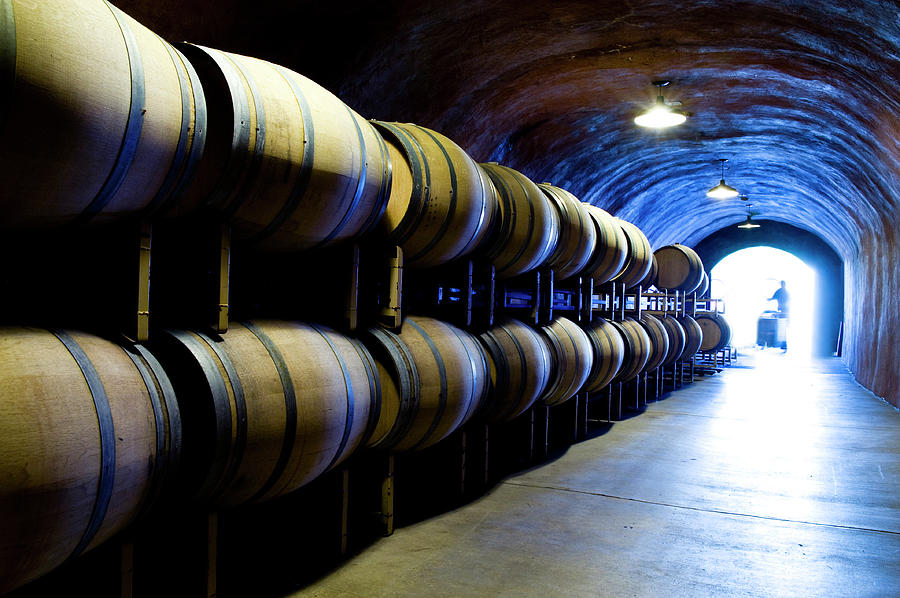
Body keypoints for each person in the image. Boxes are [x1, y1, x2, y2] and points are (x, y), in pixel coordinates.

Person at [767, 281, 789, 350]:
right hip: (783, 310)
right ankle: (782, 343)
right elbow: (774, 297)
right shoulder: (783, 292)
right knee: (782, 326)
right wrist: (769, 299)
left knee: (783, 326)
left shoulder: (782, 292)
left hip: (784, 310)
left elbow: (774, 297)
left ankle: (783, 343)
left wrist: (769, 299)